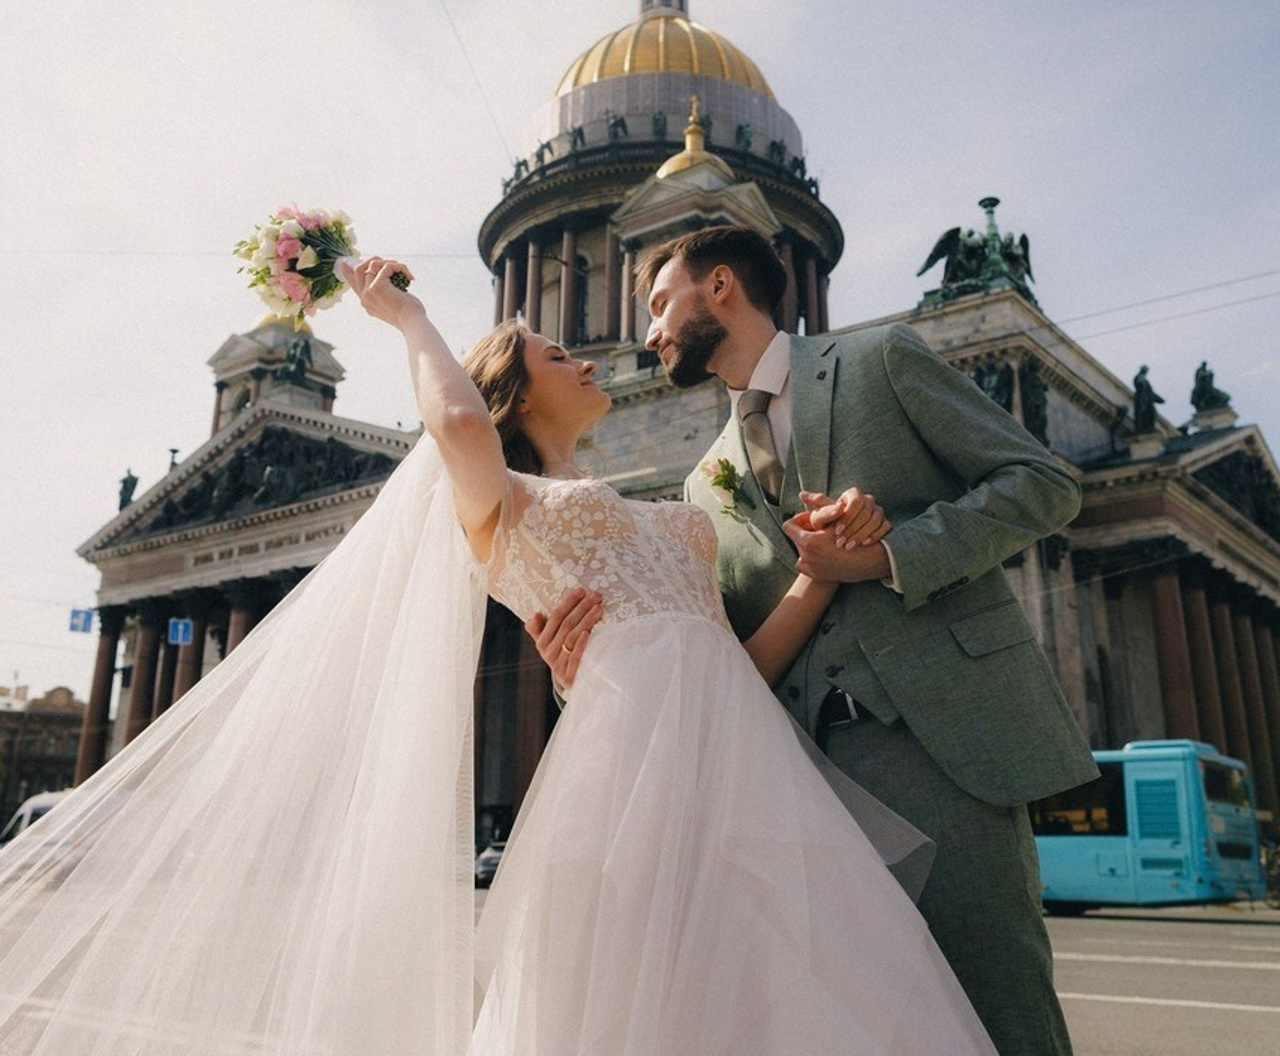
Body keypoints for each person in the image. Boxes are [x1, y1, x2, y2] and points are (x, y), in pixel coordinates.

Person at [0, 257, 994, 1055]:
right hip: (627, 784)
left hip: (743, 774)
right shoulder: (500, 504)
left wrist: (820, 571)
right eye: (560, 350)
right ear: (516, 390)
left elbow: (738, 665)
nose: (593, 357)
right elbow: (458, 423)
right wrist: (404, 318)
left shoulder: (670, 496)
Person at [536, 226, 1097, 1055]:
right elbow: (702, 642)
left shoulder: (879, 360)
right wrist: (575, 672)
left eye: (659, 303)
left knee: (997, 1006)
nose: (647, 334)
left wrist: (890, 553)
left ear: (719, 285)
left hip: (940, 748)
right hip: (798, 784)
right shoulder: (703, 480)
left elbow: (1043, 485)